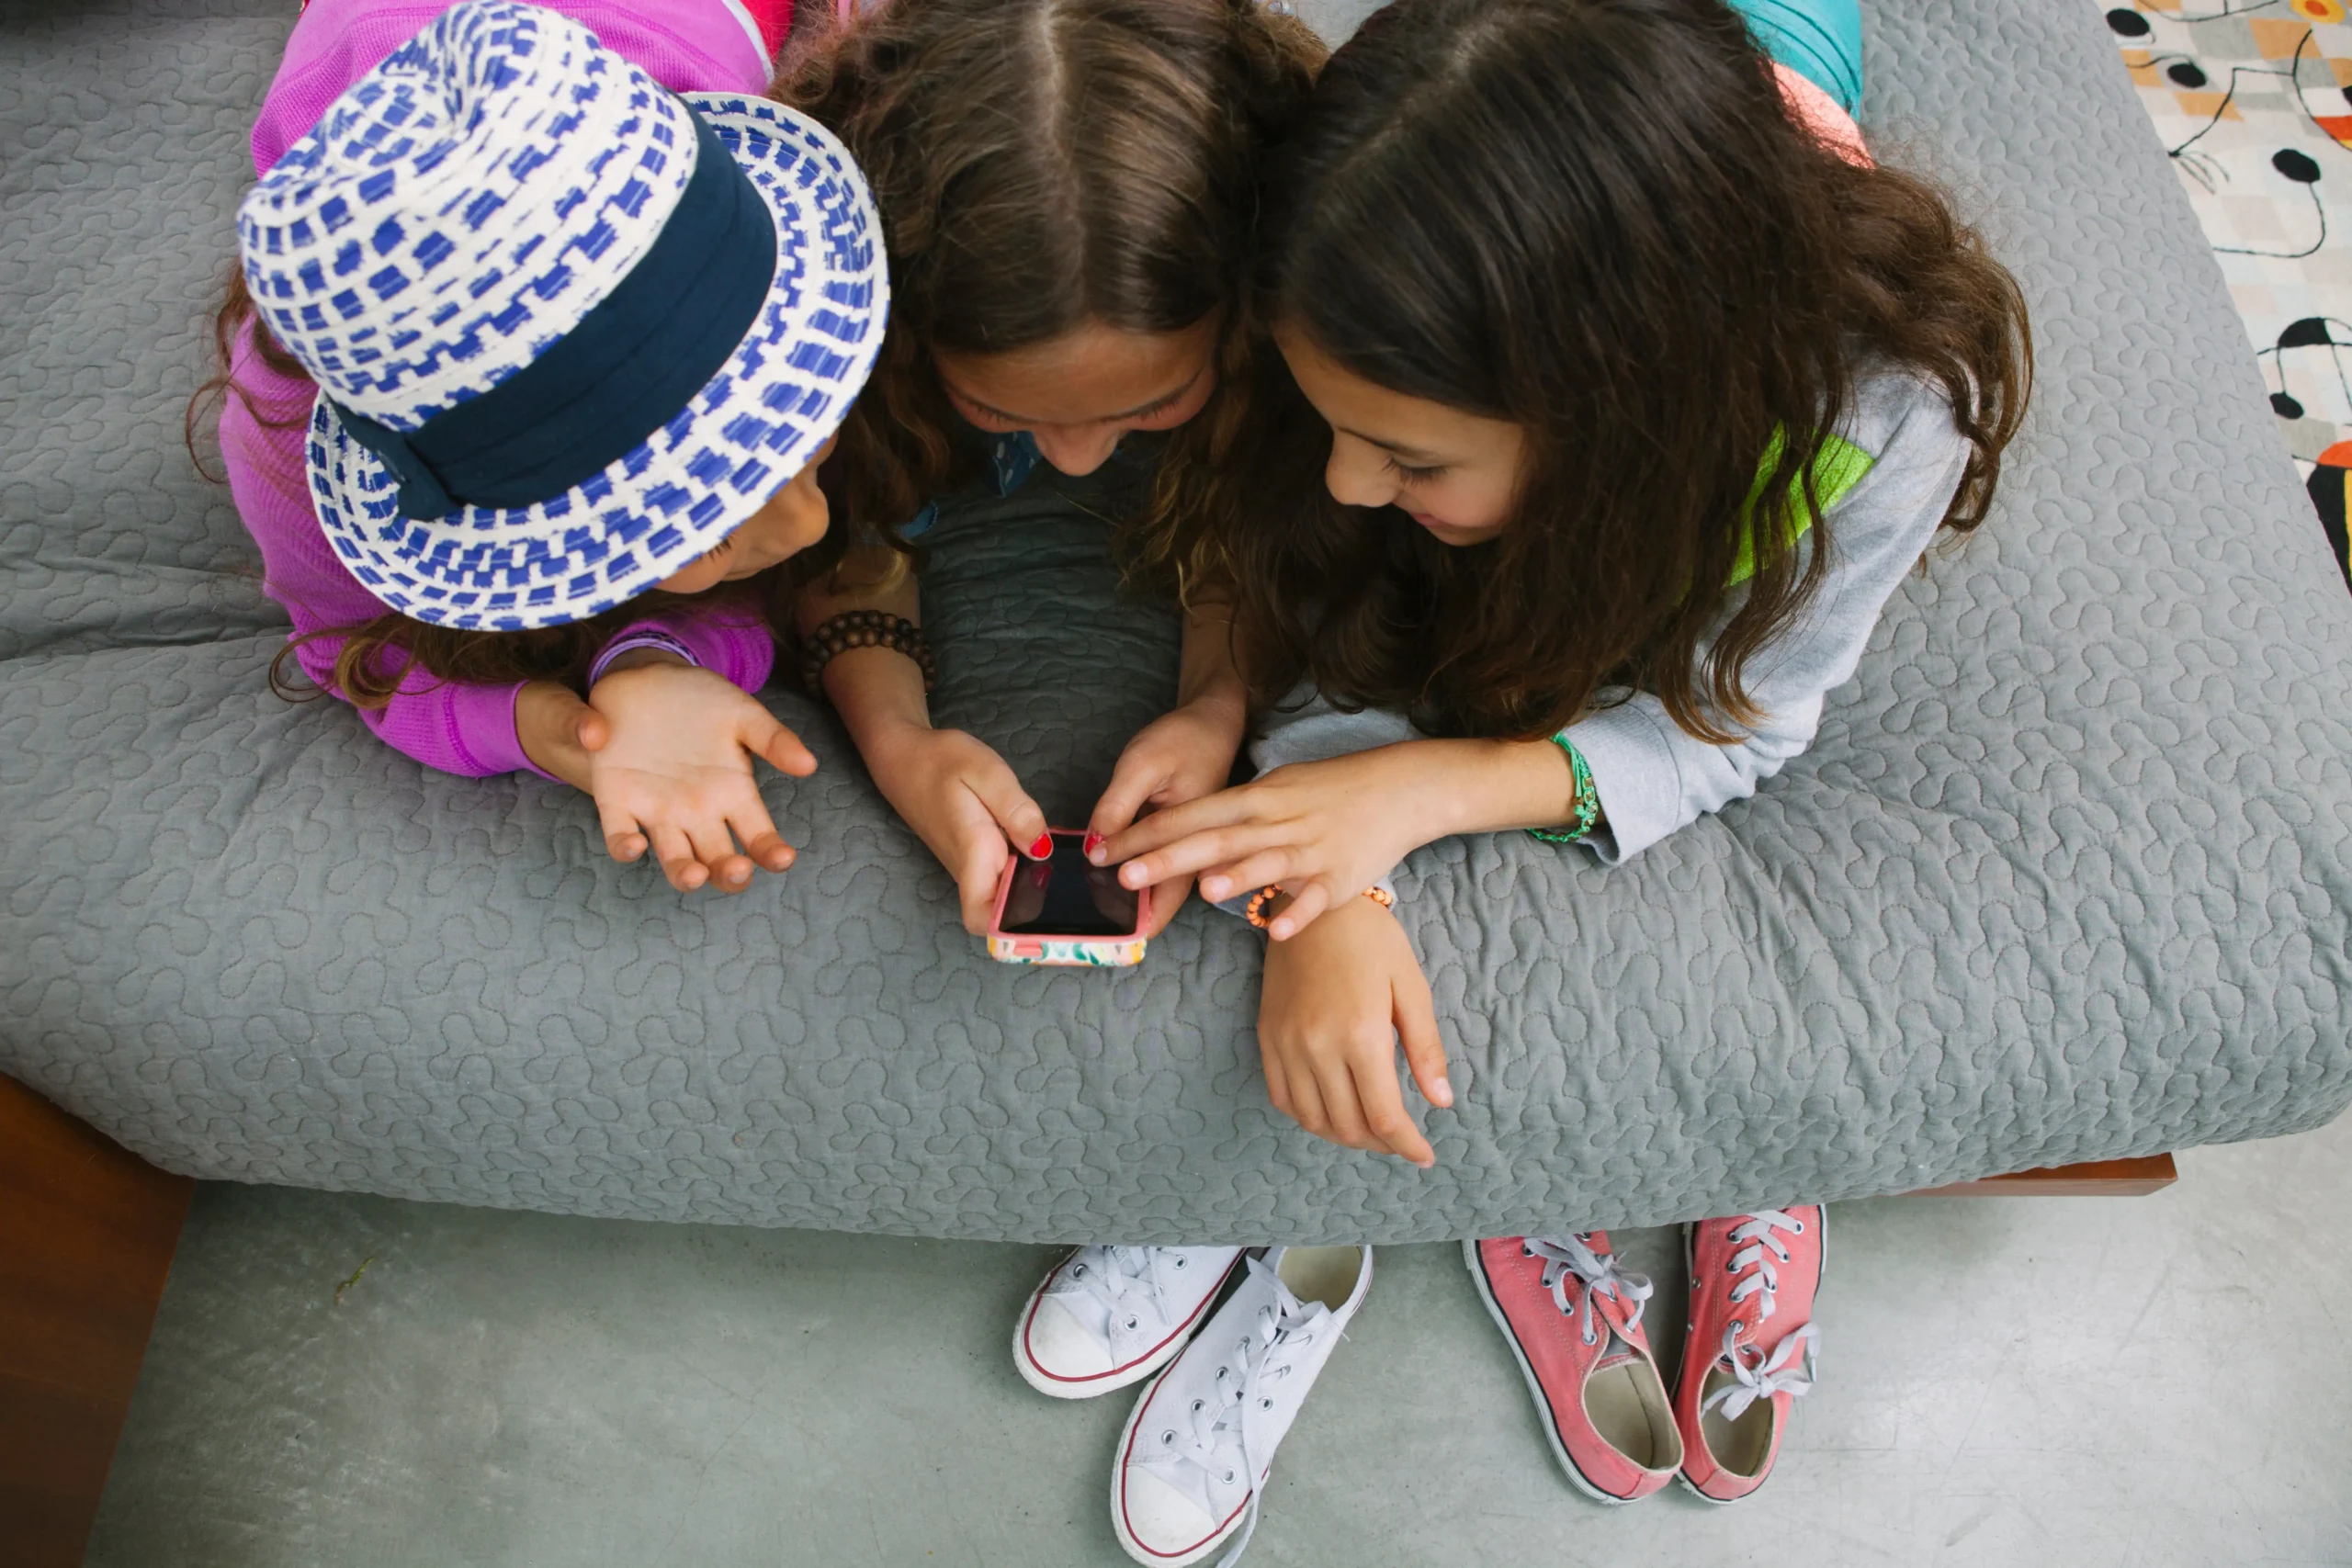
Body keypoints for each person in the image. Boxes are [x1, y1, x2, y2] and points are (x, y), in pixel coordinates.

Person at [1086, 0, 2030, 1532]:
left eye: (1410, 459)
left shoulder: (1881, 417)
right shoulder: (1362, 284)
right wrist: (1296, 834)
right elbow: (1307, 570)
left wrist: (1420, 792)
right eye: (1340, 427)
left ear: (1622, 410)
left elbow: (1752, 715)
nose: (1350, 477)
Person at [201, 0, 876, 896]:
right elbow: (352, 651)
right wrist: (565, 728)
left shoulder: (696, 208)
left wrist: (652, 655)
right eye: (706, 527)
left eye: (805, 437)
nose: (810, 528)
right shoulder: (284, 446)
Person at [773, 0, 1323, 937]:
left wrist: (1215, 704)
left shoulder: (1276, 333)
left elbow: (1244, 507)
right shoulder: (857, 332)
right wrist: (900, 740)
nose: (1079, 456)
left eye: (1148, 406)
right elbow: (859, 525)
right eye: (1002, 412)